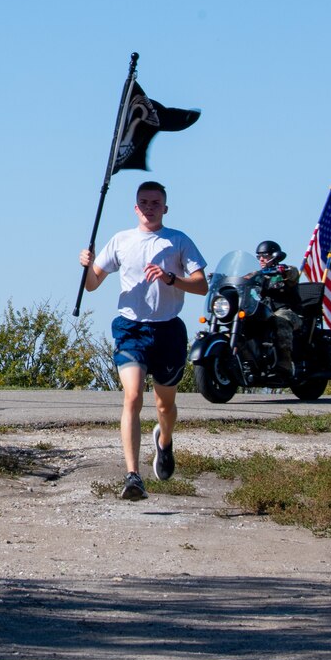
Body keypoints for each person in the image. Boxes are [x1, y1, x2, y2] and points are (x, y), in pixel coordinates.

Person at [78, 180, 207, 501]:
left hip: (168, 330)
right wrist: (85, 266)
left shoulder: (178, 241)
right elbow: (93, 283)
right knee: (133, 397)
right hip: (130, 329)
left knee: (165, 405)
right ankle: (133, 475)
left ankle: (164, 442)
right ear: (135, 208)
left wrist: (170, 278)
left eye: (155, 202)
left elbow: (202, 285)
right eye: (144, 202)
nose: (149, 207)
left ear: (165, 208)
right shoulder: (121, 241)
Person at [252, 240, 303, 377]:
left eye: (265, 255)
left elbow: (293, 273)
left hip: (289, 312)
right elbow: (244, 279)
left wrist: (284, 270)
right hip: (266, 312)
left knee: (280, 320)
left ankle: (285, 363)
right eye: (259, 256)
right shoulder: (258, 275)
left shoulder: (284, 271)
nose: (261, 259)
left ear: (275, 256)